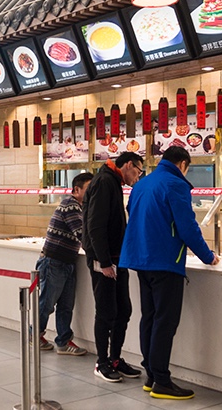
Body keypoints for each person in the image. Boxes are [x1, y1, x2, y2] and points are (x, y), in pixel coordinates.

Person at [120, 146, 219, 400]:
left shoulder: (142, 184)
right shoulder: (175, 184)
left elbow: (133, 212)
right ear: (183, 164)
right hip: (165, 260)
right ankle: (162, 381)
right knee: (165, 322)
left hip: (141, 258)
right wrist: (208, 256)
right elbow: (187, 227)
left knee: (149, 318)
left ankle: (151, 376)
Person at [81, 151, 144, 383]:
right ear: (128, 165)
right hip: (104, 260)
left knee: (123, 310)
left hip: (119, 258)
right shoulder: (104, 181)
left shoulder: (114, 181)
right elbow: (95, 226)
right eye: (137, 172)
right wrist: (104, 262)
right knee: (106, 312)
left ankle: (115, 358)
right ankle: (102, 362)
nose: (137, 177)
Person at [35, 172, 94, 356]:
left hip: (67, 261)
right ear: (76, 190)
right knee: (46, 304)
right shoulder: (71, 205)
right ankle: (34, 335)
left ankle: (63, 341)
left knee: (66, 306)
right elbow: (82, 234)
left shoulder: (81, 207)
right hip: (54, 261)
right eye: (89, 188)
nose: (92, 192)